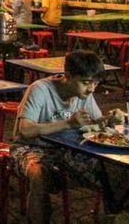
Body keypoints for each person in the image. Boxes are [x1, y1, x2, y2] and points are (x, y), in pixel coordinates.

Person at [11, 50, 127, 223]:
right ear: (68, 76)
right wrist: (68, 124)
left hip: (68, 149)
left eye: (95, 83)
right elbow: (24, 131)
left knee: (115, 170)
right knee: (39, 173)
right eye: (86, 82)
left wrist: (111, 120)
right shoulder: (40, 89)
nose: (91, 89)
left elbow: (95, 124)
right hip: (29, 147)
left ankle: (113, 217)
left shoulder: (85, 94)